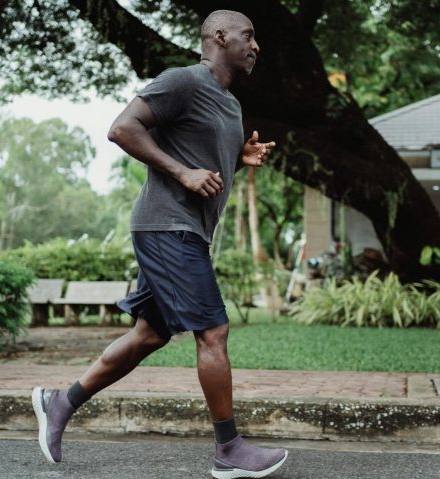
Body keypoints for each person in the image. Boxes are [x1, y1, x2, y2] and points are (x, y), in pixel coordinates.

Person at [31, 9, 288, 479]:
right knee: (213, 332)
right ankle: (229, 450)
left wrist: (240, 154)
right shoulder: (183, 81)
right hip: (167, 226)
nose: (256, 46)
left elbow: (202, 148)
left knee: (149, 334)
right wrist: (182, 172)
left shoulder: (229, 104)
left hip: (186, 231)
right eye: (248, 36)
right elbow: (122, 128)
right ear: (219, 36)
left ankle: (59, 402)